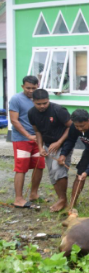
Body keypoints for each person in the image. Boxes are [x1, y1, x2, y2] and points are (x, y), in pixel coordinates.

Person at [28, 89, 72, 212]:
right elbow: (37, 132)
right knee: (52, 173)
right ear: (33, 101)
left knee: (58, 170)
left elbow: (71, 127)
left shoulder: (58, 110)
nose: (42, 106)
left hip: (63, 144)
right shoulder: (31, 113)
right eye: (39, 104)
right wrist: (41, 148)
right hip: (47, 145)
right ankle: (61, 199)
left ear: (48, 100)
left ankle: (63, 200)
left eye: (45, 103)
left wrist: (59, 143)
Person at [9, 76, 45, 209]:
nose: (30, 91)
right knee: (21, 169)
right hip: (22, 139)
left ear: (38, 86)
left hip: (37, 139)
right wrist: (28, 135)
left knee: (39, 166)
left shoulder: (39, 98)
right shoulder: (16, 99)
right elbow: (14, 120)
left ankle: (33, 194)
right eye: (28, 88)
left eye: (33, 88)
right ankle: (18, 198)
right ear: (22, 86)